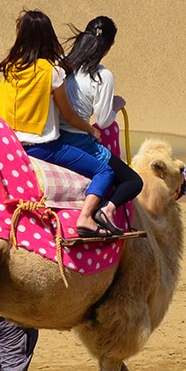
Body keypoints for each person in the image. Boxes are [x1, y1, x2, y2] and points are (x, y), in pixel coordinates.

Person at [0, 10, 114, 238]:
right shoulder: (53, 72)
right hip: (41, 147)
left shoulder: (10, 67)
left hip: (8, 144)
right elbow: (69, 115)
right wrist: (90, 129)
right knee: (104, 170)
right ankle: (86, 218)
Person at [59, 15, 144, 235]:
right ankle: (106, 209)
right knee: (133, 182)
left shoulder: (63, 65)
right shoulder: (103, 75)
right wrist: (116, 106)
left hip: (54, 139)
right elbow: (104, 121)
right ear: (107, 48)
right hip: (79, 141)